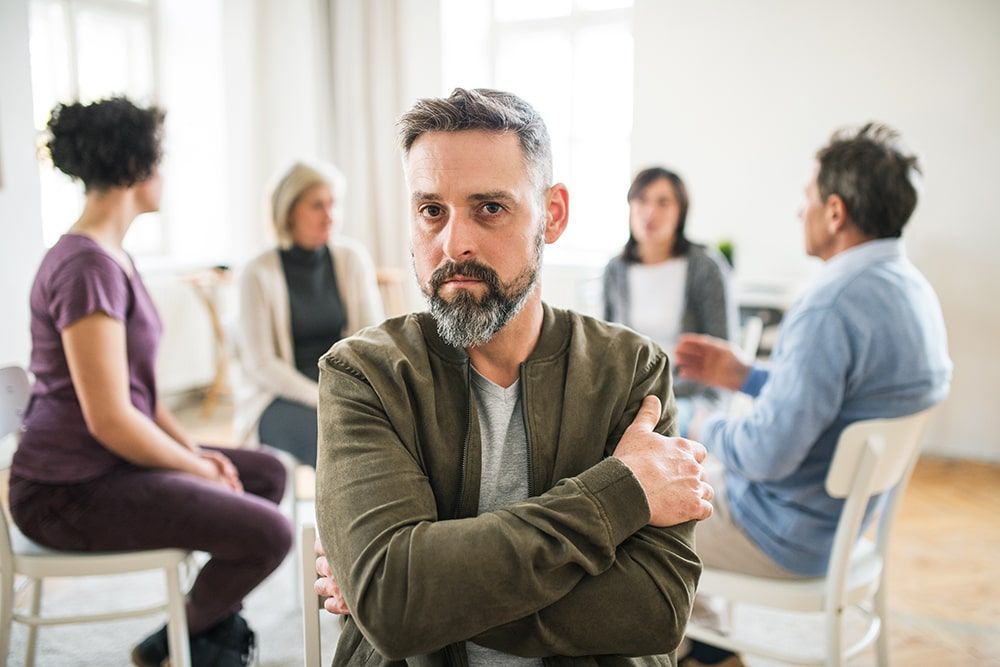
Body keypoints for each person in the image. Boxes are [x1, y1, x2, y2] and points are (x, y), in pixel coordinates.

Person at [312, 88, 715, 666]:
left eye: (490, 208)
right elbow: (394, 603)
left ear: (552, 214)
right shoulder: (365, 374)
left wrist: (422, 596)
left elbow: (655, 608)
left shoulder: (630, 372)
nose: (455, 243)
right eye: (432, 211)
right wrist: (619, 493)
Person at [8, 97, 293, 667]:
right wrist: (196, 466)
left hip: (106, 466)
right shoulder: (86, 268)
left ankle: (197, 633)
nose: (164, 175)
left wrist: (195, 453)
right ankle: (180, 643)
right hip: (67, 492)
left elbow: (143, 398)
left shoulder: (114, 258)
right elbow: (111, 418)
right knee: (271, 534)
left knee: (265, 472)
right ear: (135, 166)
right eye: (159, 161)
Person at [672, 123, 952, 666]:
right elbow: (844, 405)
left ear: (835, 212)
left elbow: (765, 453)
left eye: (805, 198)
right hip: (845, 527)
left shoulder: (829, 305)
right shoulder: (913, 290)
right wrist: (747, 377)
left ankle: (697, 652)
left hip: (786, 537)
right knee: (693, 480)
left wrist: (698, 424)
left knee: (638, 512)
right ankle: (707, 649)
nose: (797, 212)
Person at [235, 161, 384, 466]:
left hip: (340, 386)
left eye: (333, 204)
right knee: (336, 440)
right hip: (276, 397)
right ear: (289, 211)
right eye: (317, 205)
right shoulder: (256, 272)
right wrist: (321, 396)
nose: (330, 216)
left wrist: (348, 391)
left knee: (392, 433)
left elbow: (372, 339)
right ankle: (338, 515)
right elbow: (261, 364)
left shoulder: (351, 259)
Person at [603, 167, 738, 426]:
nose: (650, 212)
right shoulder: (615, 270)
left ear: (681, 211)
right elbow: (607, 347)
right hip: (631, 397)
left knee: (665, 427)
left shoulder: (706, 267)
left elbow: (723, 350)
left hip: (692, 397)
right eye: (642, 200)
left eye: (663, 202)